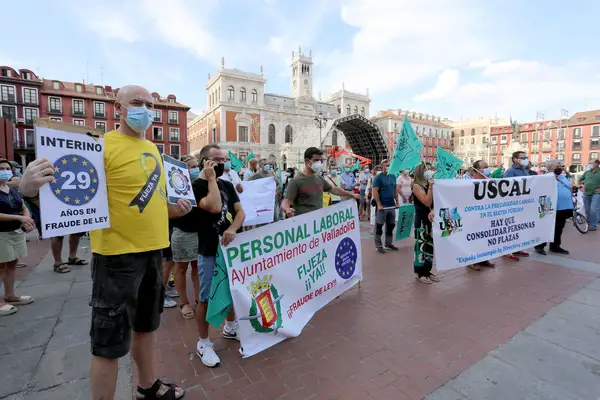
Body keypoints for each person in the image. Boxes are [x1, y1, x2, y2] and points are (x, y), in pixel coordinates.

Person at [88, 85, 189, 399]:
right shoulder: (102, 146)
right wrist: (30, 186)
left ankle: (148, 387)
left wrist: (173, 210)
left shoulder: (152, 150)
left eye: (149, 104)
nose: (145, 109)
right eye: (136, 103)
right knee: (108, 344)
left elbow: (149, 201)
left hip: (152, 254)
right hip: (116, 257)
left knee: (146, 327)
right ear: (118, 107)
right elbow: (71, 193)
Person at [192, 144, 245, 368]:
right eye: (217, 159)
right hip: (208, 249)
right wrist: (211, 178)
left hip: (230, 249)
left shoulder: (228, 184)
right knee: (206, 297)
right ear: (204, 161)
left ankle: (231, 327)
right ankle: (203, 342)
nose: (223, 162)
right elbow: (213, 206)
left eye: (224, 158)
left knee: (231, 289)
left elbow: (240, 212)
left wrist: (232, 228)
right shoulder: (195, 186)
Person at [0, 158, 35, 317]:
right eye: (1, 168)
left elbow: (23, 206)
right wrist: (19, 219)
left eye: (7, 168)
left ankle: (10, 295)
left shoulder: (11, 189)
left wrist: (26, 219)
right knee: (1, 267)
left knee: (12, 264)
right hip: (2, 233)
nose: (5, 171)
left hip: (15, 232)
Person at [282, 147, 359, 217]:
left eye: (320, 160)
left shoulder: (319, 178)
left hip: (318, 222)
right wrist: (287, 209)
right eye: (316, 160)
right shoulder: (296, 181)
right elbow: (286, 201)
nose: (319, 163)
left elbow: (333, 189)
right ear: (307, 161)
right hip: (303, 224)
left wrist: (351, 195)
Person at [170, 155, 201, 319]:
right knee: (181, 268)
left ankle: (198, 298)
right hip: (182, 232)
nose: (195, 169)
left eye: (197, 165)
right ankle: (184, 302)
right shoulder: (175, 186)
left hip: (199, 232)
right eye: (191, 166)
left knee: (197, 267)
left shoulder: (200, 183)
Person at [534, 160, 573, 255]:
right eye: (558, 165)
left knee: (559, 227)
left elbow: (569, 186)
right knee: (546, 226)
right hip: (550, 206)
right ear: (551, 167)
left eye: (561, 165)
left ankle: (555, 246)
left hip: (564, 207)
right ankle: (540, 246)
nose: (560, 167)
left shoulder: (563, 177)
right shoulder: (545, 178)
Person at [412, 164, 440, 283]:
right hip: (421, 220)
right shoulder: (416, 186)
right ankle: (420, 273)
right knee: (421, 247)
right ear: (421, 172)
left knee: (429, 247)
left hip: (430, 219)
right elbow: (427, 202)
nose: (430, 171)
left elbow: (434, 203)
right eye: (427, 169)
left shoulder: (429, 185)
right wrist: (430, 187)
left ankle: (427, 270)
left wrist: (433, 211)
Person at [501, 151, 531, 260]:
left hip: (523, 205)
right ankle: (506, 251)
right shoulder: (510, 172)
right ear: (515, 159)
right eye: (522, 158)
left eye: (526, 157)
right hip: (513, 205)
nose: (525, 159)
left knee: (518, 228)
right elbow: (505, 188)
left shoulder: (525, 170)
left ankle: (517, 248)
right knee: (510, 229)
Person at [467, 160, 496, 270]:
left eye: (487, 167)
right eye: (484, 167)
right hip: (473, 215)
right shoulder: (470, 182)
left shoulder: (489, 181)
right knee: (473, 238)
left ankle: (484, 259)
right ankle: (471, 261)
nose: (486, 169)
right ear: (476, 170)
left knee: (485, 237)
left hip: (486, 214)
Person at [372, 159, 400, 253]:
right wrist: (379, 204)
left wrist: (397, 202)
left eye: (389, 165)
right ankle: (378, 245)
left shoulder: (393, 176)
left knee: (391, 225)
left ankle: (388, 243)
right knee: (379, 226)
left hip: (391, 205)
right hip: (382, 207)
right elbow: (375, 191)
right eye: (386, 165)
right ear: (382, 166)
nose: (388, 166)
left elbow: (395, 190)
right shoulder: (378, 177)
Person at [581, 159, 600, 231]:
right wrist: (581, 186)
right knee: (587, 210)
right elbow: (579, 180)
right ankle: (588, 224)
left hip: (596, 194)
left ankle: (593, 225)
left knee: (593, 210)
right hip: (586, 193)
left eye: (590, 163)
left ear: (596, 164)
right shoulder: (587, 172)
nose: (589, 164)